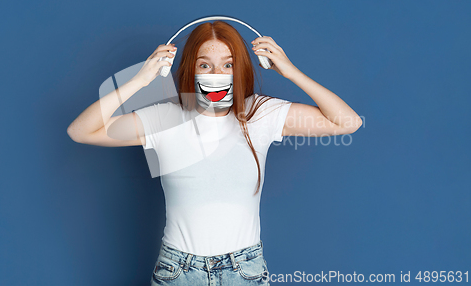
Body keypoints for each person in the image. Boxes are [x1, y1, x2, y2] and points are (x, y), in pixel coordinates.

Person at [67, 21, 363, 285]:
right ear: (189, 68)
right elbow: (81, 131)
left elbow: (348, 122)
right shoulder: (164, 118)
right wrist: (140, 81)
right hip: (177, 272)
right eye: (205, 64)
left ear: (242, 68)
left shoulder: (260, 114)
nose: (217, 74)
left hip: (244, 271)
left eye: (228, 64)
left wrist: (291, 71)